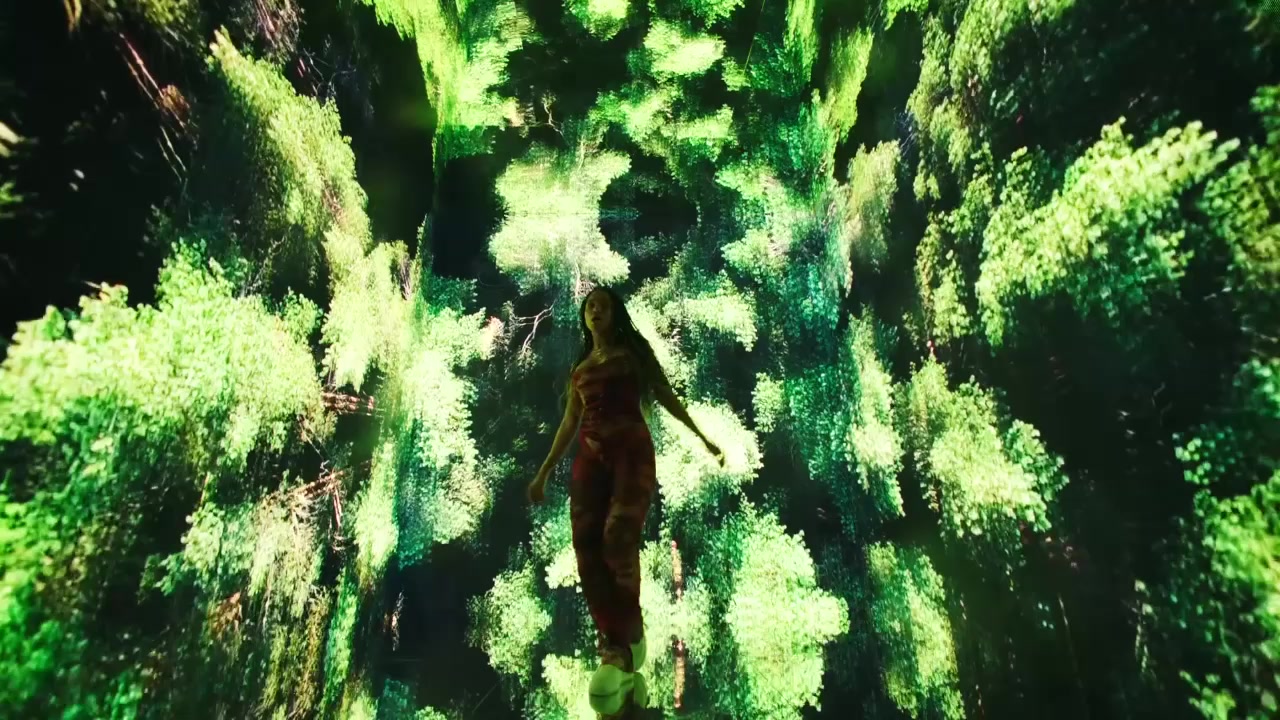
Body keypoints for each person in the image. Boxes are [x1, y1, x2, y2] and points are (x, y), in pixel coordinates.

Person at [527, 286, 723, 713]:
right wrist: (543, 472)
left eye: (603, 304)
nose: (595, 309)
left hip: (631, 455)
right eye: (589, 305)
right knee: (586, 549)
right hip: (589, 462)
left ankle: (628, 636)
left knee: (617, 538)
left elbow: (665, 394)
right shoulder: (580, 369)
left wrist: (702, 437)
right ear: (584, 317)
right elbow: (569, 423)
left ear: (615, 314)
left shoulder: (632, 357)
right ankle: (613, 644)